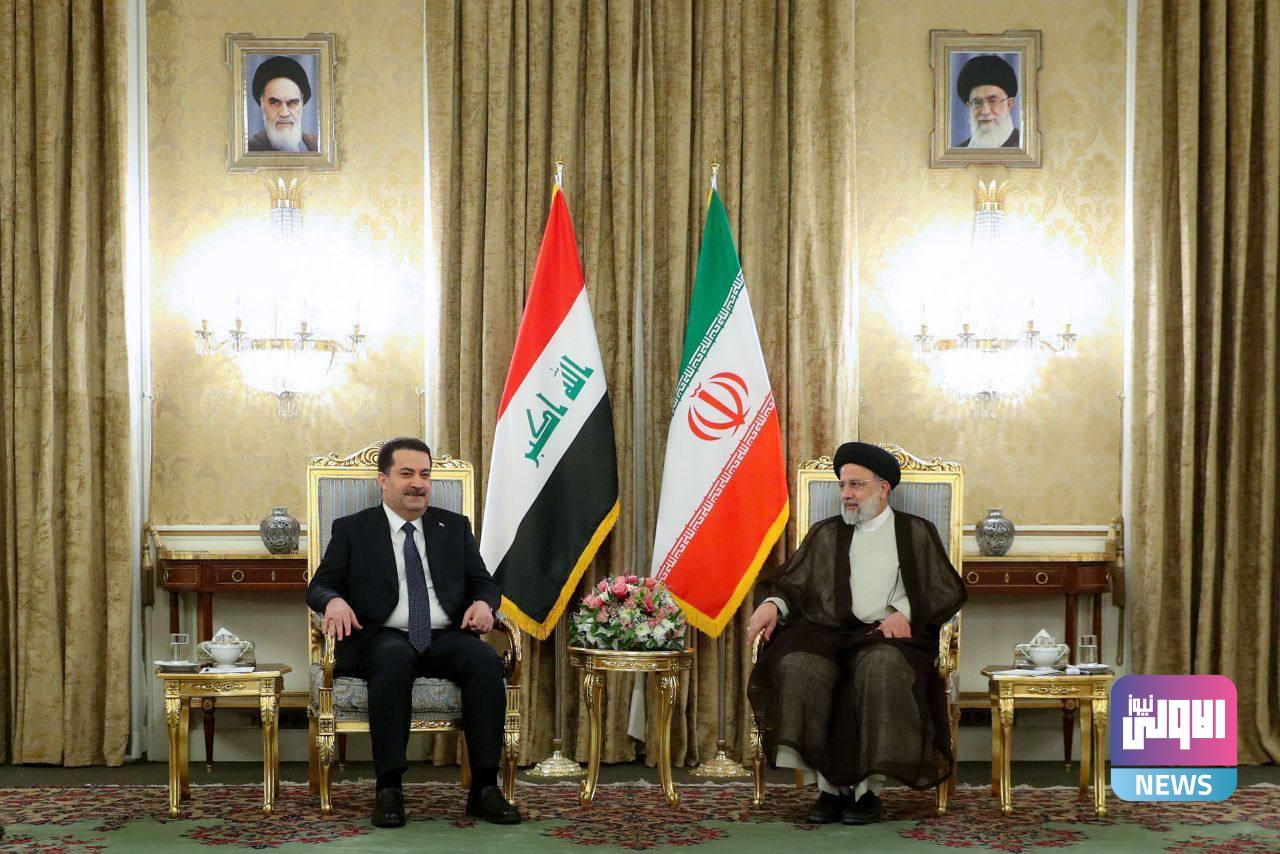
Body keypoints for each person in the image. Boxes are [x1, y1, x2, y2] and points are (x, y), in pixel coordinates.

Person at [746, 442, 966, 825]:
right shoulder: (826, 533)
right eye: (843, 485)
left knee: (879, 667)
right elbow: (795, 585)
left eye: (856, 485)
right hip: (828, 632)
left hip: (888, 636)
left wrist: (904, 612)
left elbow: (942, 588)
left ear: (883, 489)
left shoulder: (914, 531)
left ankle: (867, 793)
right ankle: (828, 791)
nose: (846, 493)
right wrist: (773, 605)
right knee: (799, 664)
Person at [306, 437, 521, 827]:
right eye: (407, 474)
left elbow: (484, 582)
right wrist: (333, 601)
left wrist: (483, 604)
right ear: (383, 480)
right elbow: (320, 585)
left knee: (484, 660)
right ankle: (389, 788)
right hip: (382, 634)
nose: (418, 483)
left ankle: (484, 789)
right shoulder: (353, 529)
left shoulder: (453, 527)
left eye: (424, 474)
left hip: (444, 634)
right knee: (393, 657)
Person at [247, 56, 318, 152]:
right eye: (275, 102)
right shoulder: (249, 149)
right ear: (262, 104)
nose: (284, 113)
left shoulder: (317, 146)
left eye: (292, 103)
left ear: (301, 104)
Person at [955, 54, 1020, 149]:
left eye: (992, 101)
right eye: (977, 103)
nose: (985, 111)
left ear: (1010, 104)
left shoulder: (1025, 146)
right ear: (969, 106)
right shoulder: (959, 151)